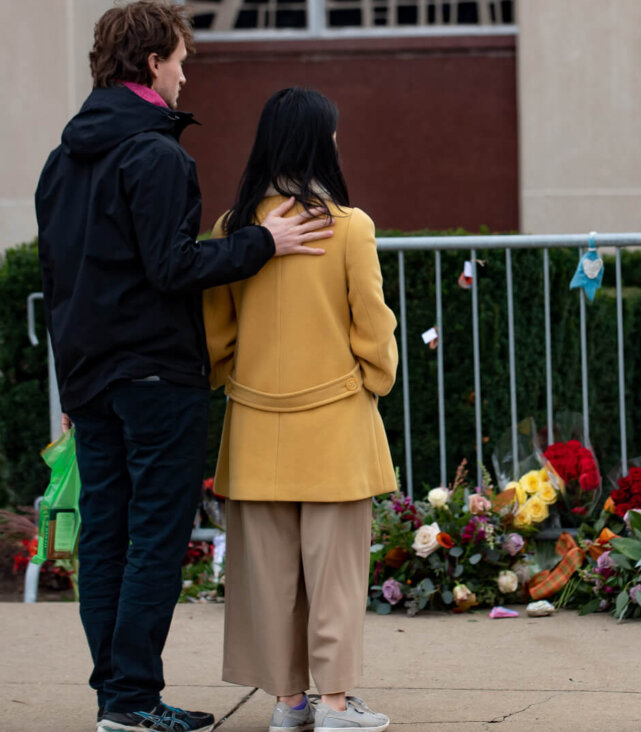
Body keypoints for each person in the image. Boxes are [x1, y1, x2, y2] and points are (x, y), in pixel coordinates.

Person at [34, 3, 333, 730]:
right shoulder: (158, 156)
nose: (185, 72)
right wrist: (262, 241)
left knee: (104, 534)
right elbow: (172, 268)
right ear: (151, 65)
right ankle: (131, 701)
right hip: (156, 377)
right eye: (180, 58)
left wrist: (72, 382)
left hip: (90, 377)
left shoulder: (61, 161)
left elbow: (62, 277)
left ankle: (117, 700)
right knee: (155, 538)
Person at [204, 87, 398, 732]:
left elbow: (217, 341)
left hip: (256, 430)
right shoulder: (351, 226)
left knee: (270, 582)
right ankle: (337, 706)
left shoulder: (232, 232)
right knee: (336, 578)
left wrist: (244, 379)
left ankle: (289, 705)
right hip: (336, 427)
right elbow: (371, 326)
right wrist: (375, 378)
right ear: (320, 141)